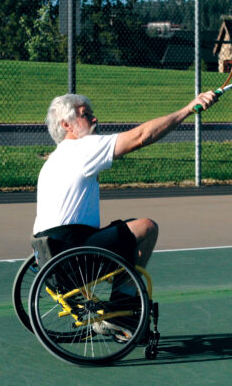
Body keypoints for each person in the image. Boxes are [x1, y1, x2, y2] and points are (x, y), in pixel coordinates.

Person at [32, 91, 217, 339]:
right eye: (85, 115)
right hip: (76, 256)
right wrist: (187, 109)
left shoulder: (53, 161)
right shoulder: (82, 148)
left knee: (124, 229)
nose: (94, 119)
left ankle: (119, 303)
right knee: (146, 227)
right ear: (66, 125)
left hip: (52, 263)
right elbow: (141, 136)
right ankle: (121, 307)